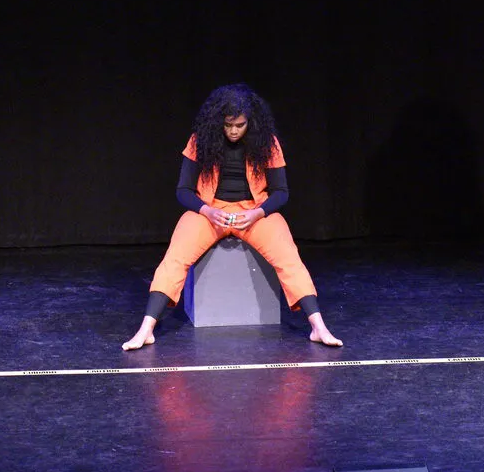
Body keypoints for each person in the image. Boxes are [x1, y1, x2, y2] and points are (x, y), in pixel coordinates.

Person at [123, 83, 342, 350]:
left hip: (254, 211)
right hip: (210, 212)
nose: (234, 131)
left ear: (250, 121)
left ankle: (318, 327)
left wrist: (258, 213)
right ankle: (146, 329)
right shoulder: (199, 141)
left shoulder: (267, 143)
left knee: (289, 258)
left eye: (240, 125)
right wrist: (207, 210)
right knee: (175, 258)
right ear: (219, 122)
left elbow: (281, 192)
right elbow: (183, 191)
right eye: (228, 125)